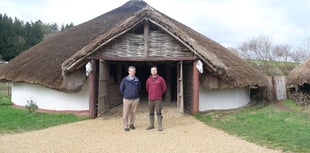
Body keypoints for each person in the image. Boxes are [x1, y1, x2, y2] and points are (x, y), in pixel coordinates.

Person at [146, 66, 167, 131]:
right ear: (150, 72)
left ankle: (160, 126)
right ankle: (151, 125)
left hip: (158, 99)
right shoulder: (148, 79)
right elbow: (147, 88)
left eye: (155, 70)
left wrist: (159, 94)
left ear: (157, 71)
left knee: (158, 112)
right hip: (150, 99)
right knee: (151, 112)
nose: (153, 71)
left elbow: (164, 88)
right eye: (152, 70)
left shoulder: (161, 79)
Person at [119, 66, 141, 132]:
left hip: (135, 99)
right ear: (128, 72)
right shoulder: (124, 80)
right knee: (125, 113)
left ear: (135, 72)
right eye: (131, 71)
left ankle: (132, 124)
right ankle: (126, 125)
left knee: (134, 112)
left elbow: (139, 88)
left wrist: (136, 93)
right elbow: (121, 88)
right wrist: (125, 94)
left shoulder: (137, 80)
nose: (132, 72)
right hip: (126, 99)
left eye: (133, 71)